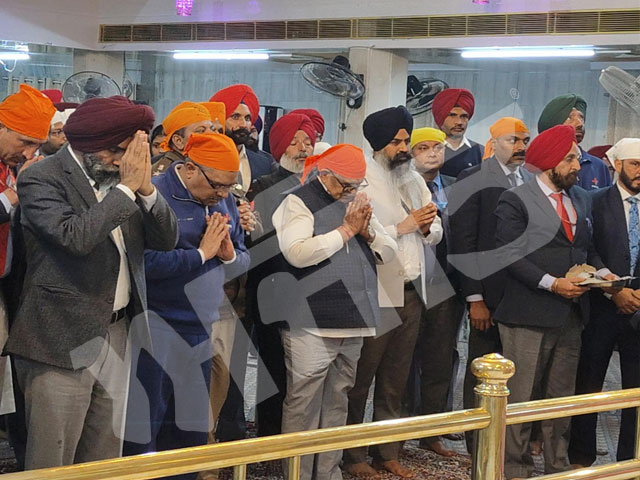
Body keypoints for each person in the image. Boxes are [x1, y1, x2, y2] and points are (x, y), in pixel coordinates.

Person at [5, 95, 178, 469]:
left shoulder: (125, 180)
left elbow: (166, 240)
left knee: (103, 458)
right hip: (60, 337)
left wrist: (147, 191)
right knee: (53, 461)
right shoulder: (41, 177)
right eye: (116, 151)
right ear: (86, 144)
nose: (121, 161)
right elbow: (74, 238)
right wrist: (127, 189)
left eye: (129, 152)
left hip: (117, 332)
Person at [493, 125, 617, 479]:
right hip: (528, 314)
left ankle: (557, 467)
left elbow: (585, 248)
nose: (578, 165)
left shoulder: (580, 198)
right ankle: (514, 469)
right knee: (521, 399)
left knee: (561, 400)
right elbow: (509, 254)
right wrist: (552, 284)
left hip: (571, 316)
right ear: (549, 162)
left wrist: (603, 273)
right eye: (570, 159)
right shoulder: (515, 199)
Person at [124, 133, 249, 478]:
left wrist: (228, 256)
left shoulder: (223, 199)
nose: (223, 195)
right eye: (217, 185)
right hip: (155, 327)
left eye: (230, 187)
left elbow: (241, 257)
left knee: (190, 433)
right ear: (190, 168)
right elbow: (141, 264)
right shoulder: (154, 194)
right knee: (146, 430)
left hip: (201, 328)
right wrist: (200, 255)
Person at [271, 144, 397, 480]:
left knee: (338, 400)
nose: (351, 192)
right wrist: (346, 232)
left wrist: (368, 233)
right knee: (303, 404)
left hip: (354, 319)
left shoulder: (356, 200)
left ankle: (327, 473)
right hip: (310, 322)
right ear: (324, 175)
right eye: (345, 185)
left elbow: (389, 249)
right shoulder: (296, 201)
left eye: (357, 185)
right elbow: (297, 253)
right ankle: (297, 475)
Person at [343, 106, 442, 479]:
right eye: (397, 142)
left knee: (396, 378)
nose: (404, 148)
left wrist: (426, 228)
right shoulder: (361, 179)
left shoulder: (413, 179)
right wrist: (404, 225)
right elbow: (360, 232)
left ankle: (387, 451)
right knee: (361, 378)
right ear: (378, 143)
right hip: (377, 287)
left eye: (406, 140)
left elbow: (435, 229)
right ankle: (352, 455)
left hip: (412, 289)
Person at [448, 117, 532, 453]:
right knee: (482, 371)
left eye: (525, 141)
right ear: (494, 143)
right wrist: (475, 297)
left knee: (518, 374)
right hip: (488, 296)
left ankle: (509, 444)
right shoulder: (473, 179)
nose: (520, 147)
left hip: (522, 294)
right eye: (513, 140)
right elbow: (463, 242)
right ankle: (478, 446)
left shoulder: (529, 179)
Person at [244, 112, 316, 439]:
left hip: (311, 287)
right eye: (295, 141)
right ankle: (270, 434)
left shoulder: (319, 185)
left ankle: (298, 435)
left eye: (308, 141)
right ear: (279, 146)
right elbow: (258, 241)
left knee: (306, 369)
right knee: (272, 365)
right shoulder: (262, 186)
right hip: (272, 287)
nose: (303, 148)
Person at [569, 138, 640, 467]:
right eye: (635, 164)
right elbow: (588, 249)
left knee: (635, 391)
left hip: (638, 311)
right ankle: (580, 456)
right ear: (618, 165)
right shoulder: (594, 201)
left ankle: (629, 459)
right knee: (589, 383)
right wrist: (614, 290)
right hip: (601, 309)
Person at [0, 85, 56, 469]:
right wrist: (15, 195)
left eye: (35, 145)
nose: (27, 153)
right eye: (24, 141)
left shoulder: (9, 166)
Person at [408, 127, 464, 457]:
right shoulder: (400, 186)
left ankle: (431, 432)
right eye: (423, 147)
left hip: (446, 283)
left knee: (440, 359)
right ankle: (395, 435)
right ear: (410, 153)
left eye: (438, 147)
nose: (433, 153)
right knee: (400, 363)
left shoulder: (456, 187)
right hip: (405, 284)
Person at [537, 94, 611, 191]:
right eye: (569, 118)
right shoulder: (537, 165)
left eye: (581, 118)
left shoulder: (598, 167)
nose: (580, 124)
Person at [431, 88, 483, 178]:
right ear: (441, 117)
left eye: (464, 116)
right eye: (452, 115)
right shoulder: (427, 150)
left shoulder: (480, 152)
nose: (459, 122)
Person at [152, 101, 212, 176]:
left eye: (212, 128)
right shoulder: (167, 174)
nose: (212, 135)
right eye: (200, 131)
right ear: (178, 141)